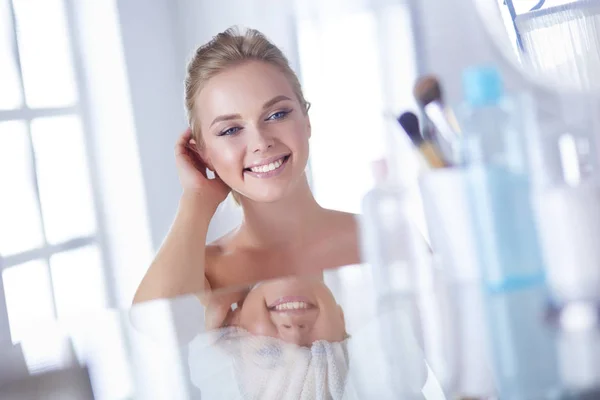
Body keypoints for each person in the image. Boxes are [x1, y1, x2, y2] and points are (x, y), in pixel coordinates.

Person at [133, 26, 360, 304]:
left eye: (277, 114)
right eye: (230, 130)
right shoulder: (204, 274)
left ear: (306, 118)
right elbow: (155, 329)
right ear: (203, 154)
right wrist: (197, 200)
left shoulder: (380, 236)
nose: (260, 142)